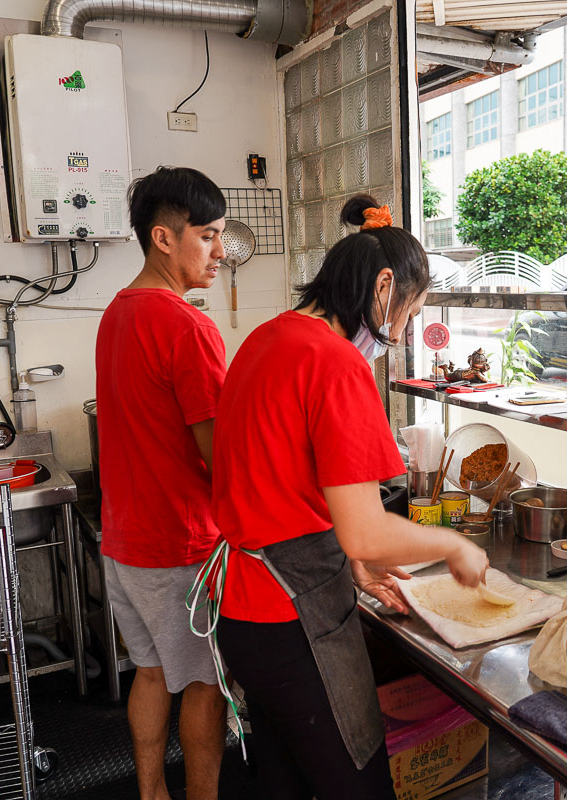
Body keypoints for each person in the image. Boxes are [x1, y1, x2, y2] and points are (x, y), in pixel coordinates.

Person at [193, 194, 489, 800]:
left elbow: (280, 480)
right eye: (410, 312)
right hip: (292, 621)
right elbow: (369, 532)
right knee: (357, 786)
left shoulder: (268, 337)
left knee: (282, 780)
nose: (403, 332)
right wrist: (454, 545)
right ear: (384, 286)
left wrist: (352, 563)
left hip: (243, 614)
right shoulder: (335, 363)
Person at [95, 167, 229, 800]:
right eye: (209, 235)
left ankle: (152, 794)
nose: (221, 252)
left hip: (123, 539)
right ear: (164, 238)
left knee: (149, 673)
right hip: (179, 544)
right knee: (206, 683)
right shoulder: (188, 325)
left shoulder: (116, 313)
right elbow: (217, 455)